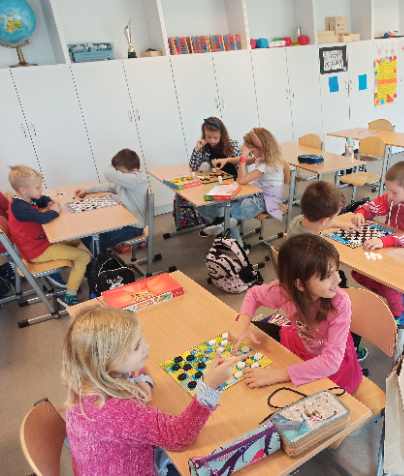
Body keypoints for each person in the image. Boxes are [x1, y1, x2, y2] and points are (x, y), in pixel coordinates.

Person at [63, 306, 245, 476]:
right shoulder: (119, 411)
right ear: (107, 360)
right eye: (136, 346)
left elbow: (130, 366)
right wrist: (210, 386)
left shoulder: (87, 376)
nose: (147, 347)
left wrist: (140, 379)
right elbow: (180, 436)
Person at [228, 234, 363, 393]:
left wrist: (275, 375)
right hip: (301, 343)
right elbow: (254, 295)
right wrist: (243, 322)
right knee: (252, 336)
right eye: (327, 276)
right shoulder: (284, 291)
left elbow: (331, 362)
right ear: (300, 285)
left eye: (336, 271)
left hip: (333, 364)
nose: (338, 280)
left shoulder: (339, 303)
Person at [287, 181, 369, 362]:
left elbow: (321, 222)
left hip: (299, 281)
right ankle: (352, 347)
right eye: (334, 217)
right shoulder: (313, 251)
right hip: (317, 293)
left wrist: (339, 223)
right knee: (352, 305)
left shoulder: (298, 221)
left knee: (343, 279)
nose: (334, 220)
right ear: (324, 220)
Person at [351, 161, 404, 325]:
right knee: (357, 273)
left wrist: (384, 241)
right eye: (388, 191)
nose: (390, 196)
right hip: (389, 247)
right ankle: (401, 297)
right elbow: (373, 206)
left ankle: (398, 318)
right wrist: (361, 212)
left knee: (390, 284)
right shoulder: (393, 197)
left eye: (394, 192)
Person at [7, 165, 91, 306]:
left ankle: (85, 269)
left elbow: (42, 199)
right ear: (23, 189)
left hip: (41, 242)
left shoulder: (26, 198)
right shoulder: (18, 208)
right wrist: (55, 210)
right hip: (37, 251)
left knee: (76, 239)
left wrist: (48, 202)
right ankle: (70, 296)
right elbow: (43, 218)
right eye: (38, 187)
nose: (41, 190)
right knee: (84, 256)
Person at [199, 128, 285, 249]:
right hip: (255, 192)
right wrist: (226, 160)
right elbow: (246, 161)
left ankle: (236, 243)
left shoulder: (268, 163)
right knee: (220, 205)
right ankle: (223, 225)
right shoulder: (263, 155)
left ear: (261, 147)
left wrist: (244, 154)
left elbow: (242, 180)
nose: (251, 153)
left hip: (265, 200)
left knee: (227, 213)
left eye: (251, 150)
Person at [75, 149, 148, 256]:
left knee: (94, 242)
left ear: (134, 170)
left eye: (119, 171)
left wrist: (114, 165)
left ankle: (106, 262)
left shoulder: (135, 180)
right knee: (86, 235)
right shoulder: (128, 179)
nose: (117, 174)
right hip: (124, 222)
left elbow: (108, 173)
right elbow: (110, 186)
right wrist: (87, 189)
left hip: (133, 228)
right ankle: (105, 259)